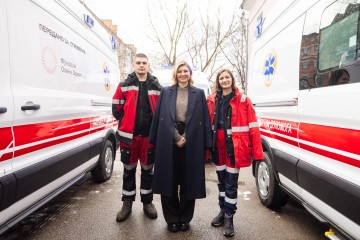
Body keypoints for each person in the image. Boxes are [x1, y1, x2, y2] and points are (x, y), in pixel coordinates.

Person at [149, 61, 212, 233]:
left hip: (192, 138)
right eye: (180, 71)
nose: (183, 74)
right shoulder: (165, 91)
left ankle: (184, 217)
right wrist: (175, 136)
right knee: (168, 179)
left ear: (190, 74)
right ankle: (171, 218)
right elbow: (160, 117)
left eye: (186, 71)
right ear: (175, 74)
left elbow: (204, 119)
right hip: (168, 137)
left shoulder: (199, 93)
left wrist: (204, 142)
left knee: (188, 180)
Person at [207, 69, 264, 237]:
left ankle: (229, 218)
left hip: (234, 149)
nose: (224, 80)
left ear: (232, 80)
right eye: (221, 78)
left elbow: (254, 128)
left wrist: (258, 154)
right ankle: (223, 211)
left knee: (231, 184)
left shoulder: (244, 100)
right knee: (221, 182)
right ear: (218, 81)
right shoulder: (211, 100)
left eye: (227, 77)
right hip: (218, 149)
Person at [112, 53, 162, 222]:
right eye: (138, 63)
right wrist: (126, 122)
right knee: (129, 170)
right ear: (134, 65)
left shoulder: (156, 86)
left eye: (144, 63)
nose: (141, 65)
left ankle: (147, 202)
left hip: (149, 138)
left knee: (148, 170)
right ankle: (127, 203)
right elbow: (116, 109)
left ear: (148, 65)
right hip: (129, 138)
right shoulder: (124, 85)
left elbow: (161, 111)